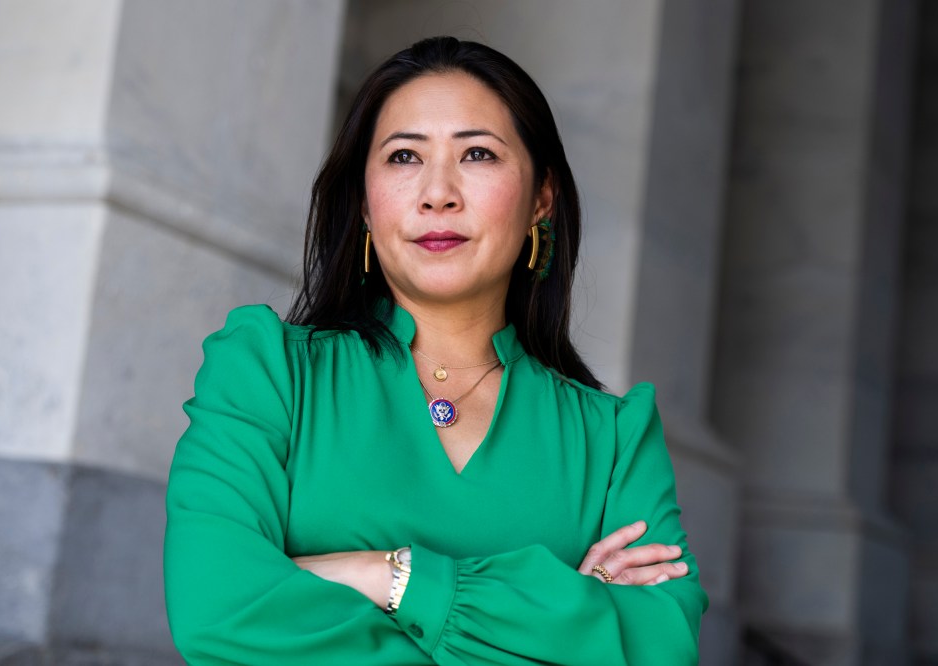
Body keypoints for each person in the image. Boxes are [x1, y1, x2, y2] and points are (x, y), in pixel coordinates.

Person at [164, 36, 707, 665]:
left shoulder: (614, 440)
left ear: (541, 198)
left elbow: (661, 649)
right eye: (403, 157)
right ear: (364, 204)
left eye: (477, 153)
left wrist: (387, 578)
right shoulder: (267, 372)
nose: (437, 193)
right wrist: (563, 619)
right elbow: (217, 611)